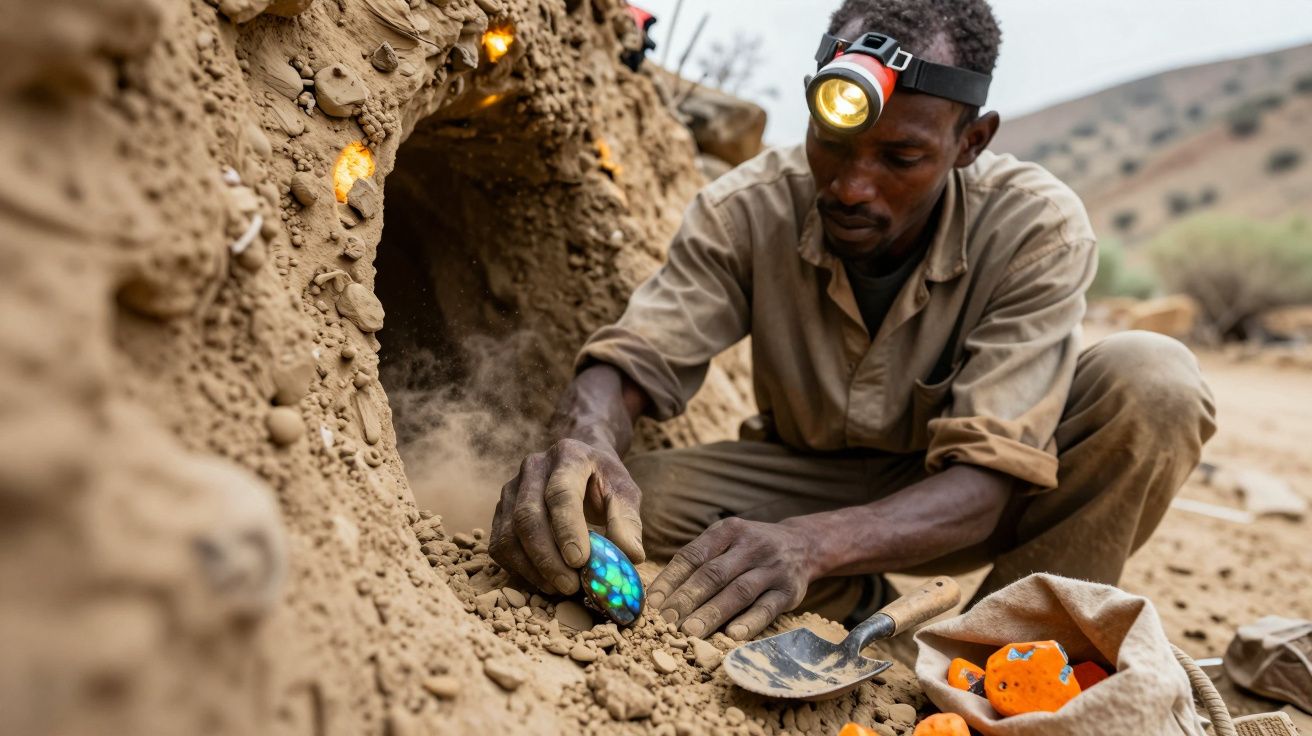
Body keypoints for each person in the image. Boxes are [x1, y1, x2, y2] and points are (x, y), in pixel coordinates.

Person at [489, 0, 1216, 642]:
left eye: (901, 157)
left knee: (1154, 380)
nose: (849, 186)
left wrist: (807, 545)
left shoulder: (1036, 226)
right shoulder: (750, 207)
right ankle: (852, 595)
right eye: (831, 142)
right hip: (806, 480)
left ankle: (1006, 650)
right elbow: (633, 359)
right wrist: (585, 442)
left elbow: (989, 479)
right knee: (600, 522)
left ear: (972, 142)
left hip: (978, 496)